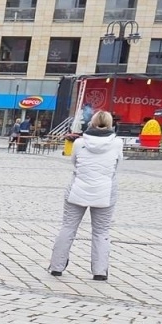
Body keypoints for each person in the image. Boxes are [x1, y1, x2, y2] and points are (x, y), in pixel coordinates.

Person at [50, 110, 120, 280]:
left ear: (92, 123)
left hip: (78, 189)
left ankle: (56, 266)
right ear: (111, 124)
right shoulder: (117, 143)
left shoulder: (79, 143)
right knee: (101, 232)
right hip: (104, 191)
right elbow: (117, 165)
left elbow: (74, 162)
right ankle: (100, 271)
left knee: (68, 227)